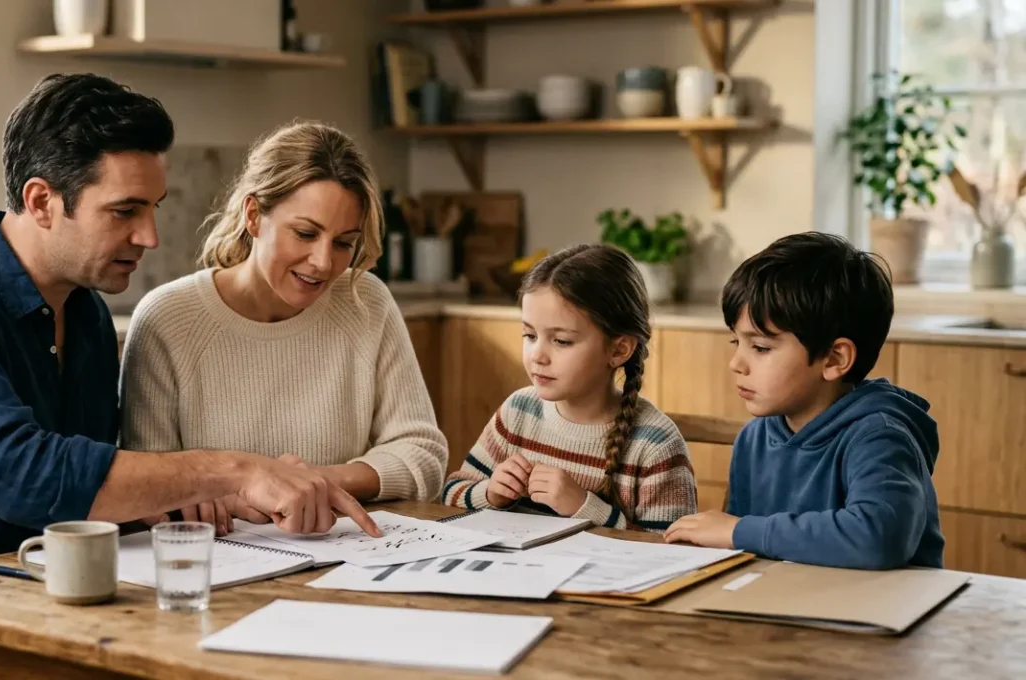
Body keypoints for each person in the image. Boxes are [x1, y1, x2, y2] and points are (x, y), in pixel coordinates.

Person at [0, 74, 379, 680]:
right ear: (42, 200)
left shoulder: (85, 317)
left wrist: (194, 500)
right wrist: (237, 468)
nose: (150, 237)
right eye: (125, 211)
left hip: (36, 623)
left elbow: (93, 494)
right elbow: (23, 476)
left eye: (152, 209)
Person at [118, 120, 447, 530]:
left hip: (344, 559)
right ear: (254, 215)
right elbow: (151, 485)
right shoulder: (167, 320)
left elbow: (423, 453)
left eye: (344, 242)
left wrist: (304, 485)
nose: (324, 262)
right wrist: (242, 487)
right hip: (220, 569)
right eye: (305, 234)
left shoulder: (367, 304)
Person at [664, 232, 944, 570]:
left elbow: (878, 537)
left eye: (761, 347)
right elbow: (748, 554)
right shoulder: (754, 439)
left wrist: (739, 530)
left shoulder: (879, 436)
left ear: (834, 359)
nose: (736, 363)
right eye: (735, 342)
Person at [442, 244, 697, 531]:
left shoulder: (655, 445)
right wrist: (489, 493)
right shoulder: (517, 412)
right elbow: (451, 493)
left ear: (619, 349)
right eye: (529, 335)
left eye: (561, 341)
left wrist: (584, 507)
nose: (537, 355)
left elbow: (673, 552)